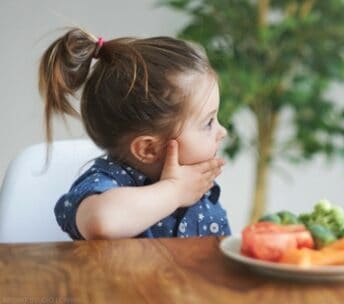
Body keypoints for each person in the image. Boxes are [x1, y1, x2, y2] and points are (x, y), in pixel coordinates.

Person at [39, 28, 229, 240]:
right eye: (208, 123)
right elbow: (100, 221)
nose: (223, 132)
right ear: (148, 149)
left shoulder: (198, 189)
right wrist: (174, 191)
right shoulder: (108, 182)